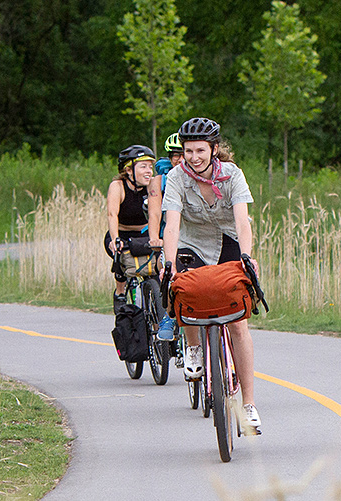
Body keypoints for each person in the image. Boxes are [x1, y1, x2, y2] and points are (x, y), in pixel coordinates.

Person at [161, 117, 262, 431]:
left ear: (214, 149)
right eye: (189, 151)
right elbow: (173, 224)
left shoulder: (232, 175)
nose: (194, 157)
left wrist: (245, 256)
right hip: (192, 243)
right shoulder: (177, 177)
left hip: (228, 241)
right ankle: (193, 348)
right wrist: (169, 264)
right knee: (185, 294)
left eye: (200, 151)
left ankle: (248, 406)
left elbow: (243, 222)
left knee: (238, 324)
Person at [105, 145, 156, 314]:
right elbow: (112, 214)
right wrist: (115, 239)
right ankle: (120, 292)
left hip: (145, 233)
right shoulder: (118, 186)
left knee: (155, 268)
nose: (149, 171)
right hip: (122, 233)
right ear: (128, 170)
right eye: (143, 166)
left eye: (150, 166)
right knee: (120, 256)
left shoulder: (152, 186)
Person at [146, 133, 184, 341]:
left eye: (182, 154)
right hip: (167, 234)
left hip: (193, 237)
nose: (179, 159)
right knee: (167, 270)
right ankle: (169, 317)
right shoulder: (158, 182)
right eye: (174, 155)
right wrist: (154, 238)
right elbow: (154, 213)